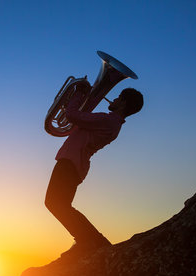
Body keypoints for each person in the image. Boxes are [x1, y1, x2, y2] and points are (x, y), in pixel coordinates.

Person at [45, 82, 143, 256]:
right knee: (60, 204)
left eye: (119, 97)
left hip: (70, 162)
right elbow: (77, 122)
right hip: (74, 162)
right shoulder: (110, 122)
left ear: (124, 104)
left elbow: (73, 116)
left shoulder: (108, 120)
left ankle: (89, 241)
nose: (114, 98)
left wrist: (79, 94)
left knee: (56, 204)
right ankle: (92, 240)